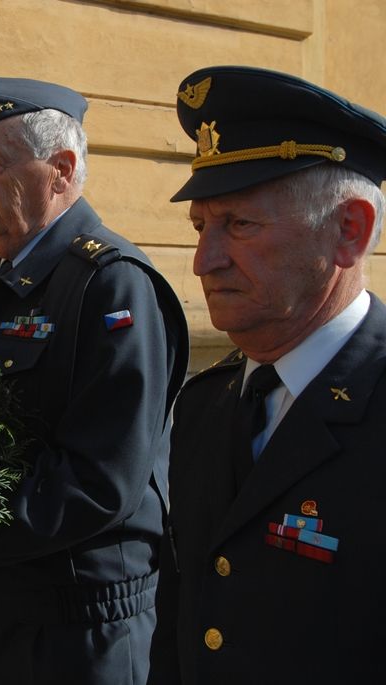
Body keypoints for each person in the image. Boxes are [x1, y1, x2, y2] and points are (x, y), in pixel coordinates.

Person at [0, 77, 189, 684]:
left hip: (77, 620)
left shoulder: (113, 284)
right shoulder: (0, 284)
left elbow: (100, 480)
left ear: (60, 170)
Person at [149, 66, 386, 684]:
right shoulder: (206, 402)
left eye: (240, 224)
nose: (203, 261)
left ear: (349, 231)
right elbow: (183, 624)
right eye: (200, 227)